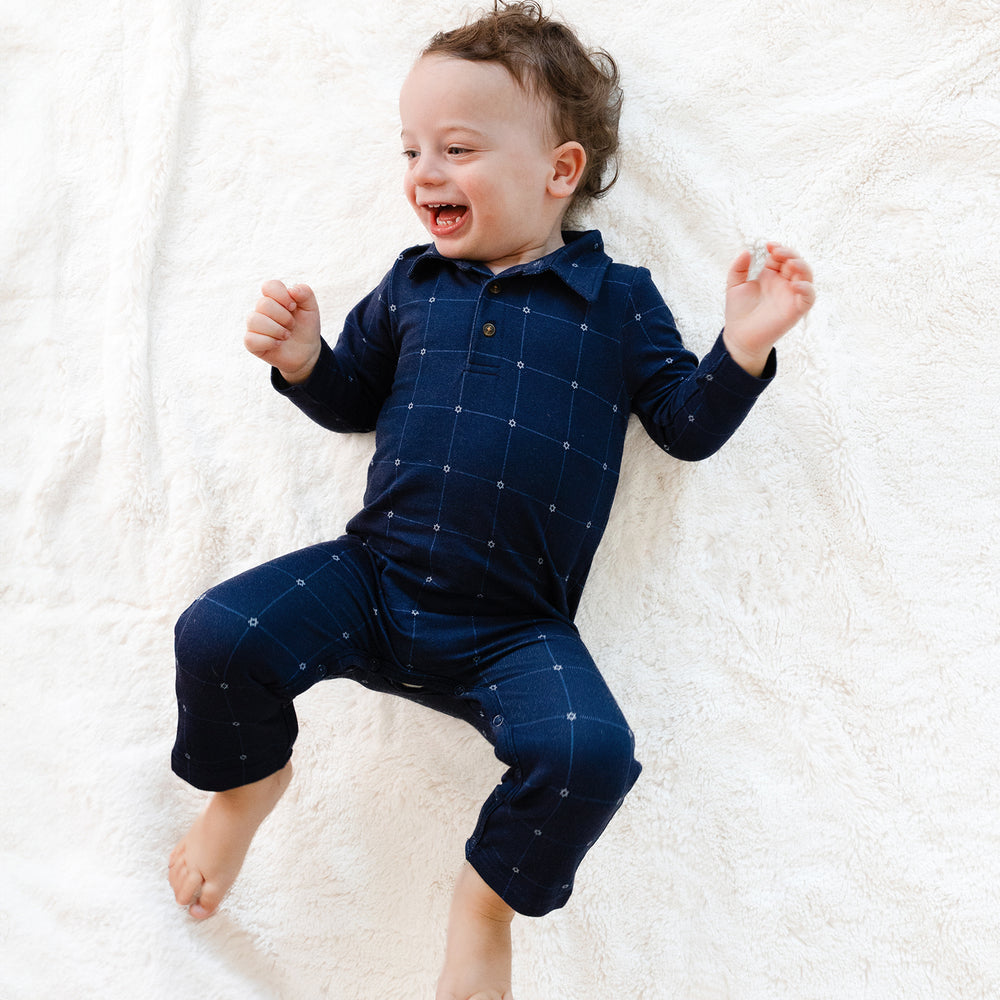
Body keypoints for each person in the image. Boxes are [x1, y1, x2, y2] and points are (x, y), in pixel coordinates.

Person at [167, 3, 815, 998]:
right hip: (374, 576)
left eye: (456, 148)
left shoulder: (616, 301)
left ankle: (484, 905)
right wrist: (305, 360)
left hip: (513, 626)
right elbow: (351, 402)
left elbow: (683, 424)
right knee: (216, 632)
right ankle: (247, 782)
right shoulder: (415, 282)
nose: (424, 171)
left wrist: (742, 346)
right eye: (411, 147)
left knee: (590, 754)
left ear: (558, 172)